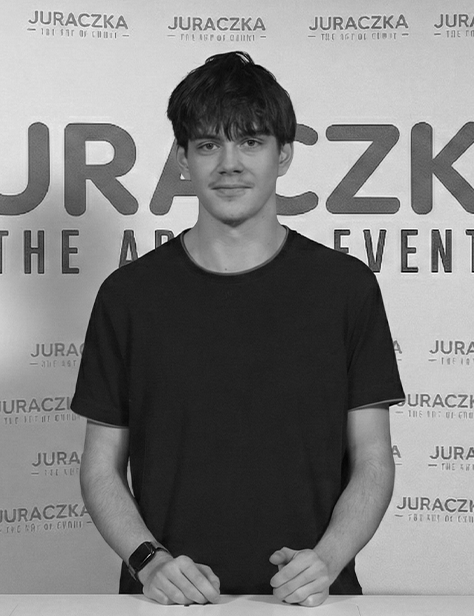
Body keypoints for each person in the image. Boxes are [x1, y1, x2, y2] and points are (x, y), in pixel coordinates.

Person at [72, 51, 404, 607]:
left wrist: (328, 559)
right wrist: (149, 561)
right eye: (208, 145)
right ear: (182, 157)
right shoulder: (128, 296)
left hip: (310, 600)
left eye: (250, 142)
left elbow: (372, 458)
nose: (230, 164)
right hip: (168, 601)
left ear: (284, 154)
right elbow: (101, 464)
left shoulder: (345, 288)